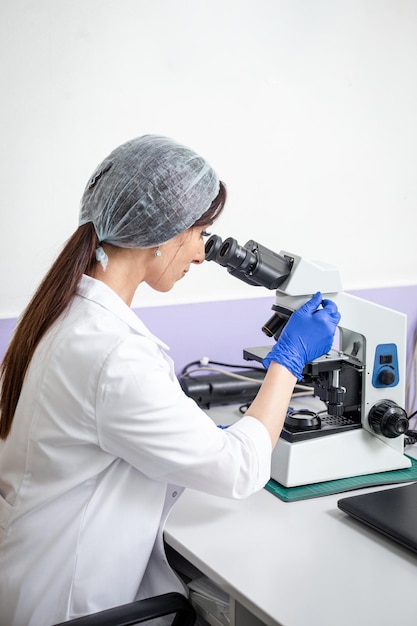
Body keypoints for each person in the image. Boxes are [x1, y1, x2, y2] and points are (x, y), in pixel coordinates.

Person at [0, 134, 341, 625]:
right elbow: (239, 470)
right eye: (201, 233)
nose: (203, 255)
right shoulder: (115, 354)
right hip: (69, 604)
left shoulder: (61, 313)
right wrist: (288, 359)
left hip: (28, 576)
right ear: (161, 235)